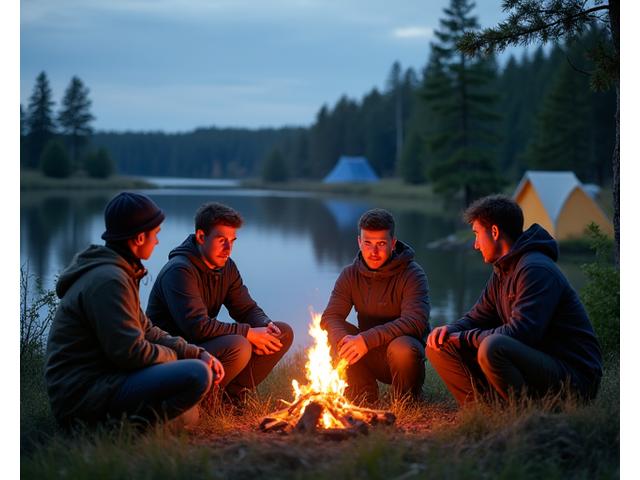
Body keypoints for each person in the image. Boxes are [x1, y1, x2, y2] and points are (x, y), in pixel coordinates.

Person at [45, 192, 224, 429]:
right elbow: (131, 354)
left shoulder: (119, 272)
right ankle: (117, 432)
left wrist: (195, 352)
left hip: (104, 382)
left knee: (191, 412)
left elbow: (147, 329)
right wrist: (175, 358)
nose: (157, 241)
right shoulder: (109, 280)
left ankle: (135, 427)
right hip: (83, 397)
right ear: (140, 238)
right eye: (155, 234)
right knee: (196, 375)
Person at [426, 194, 603, 405]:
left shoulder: (535, 269)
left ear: (494, 232)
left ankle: (524, 415)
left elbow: (522, 333)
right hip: (538, 366)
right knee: (439, 345)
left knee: (493, 346)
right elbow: (478, 316)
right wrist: (451, 330)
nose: (475, 244)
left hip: (573, 378)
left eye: (477, 234)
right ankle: (487, 413)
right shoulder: (503, 269)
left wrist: (464, 338)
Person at [146, 202, 293, 404]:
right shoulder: (179, 271)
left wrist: (266, 325)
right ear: (201, 237)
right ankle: (202, 399)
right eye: (221, 240)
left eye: (232, 241)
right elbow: (197, 327)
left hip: (202, 344)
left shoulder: (226, 267)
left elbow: (246, 308)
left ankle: (229, 399)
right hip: (174, 351)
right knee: (238, 344)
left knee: (282, 333)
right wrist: (248, 333)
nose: (228, 248)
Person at [320, 208, 430, 404]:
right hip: (366, 353)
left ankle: (407, 400)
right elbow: (330, 317)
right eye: (368, 243)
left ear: (393, 243)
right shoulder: (350, 274)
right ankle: (363, 395)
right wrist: (345, 341)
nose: (374, 252)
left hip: (401, 356)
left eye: (381, 243)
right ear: (359, 242)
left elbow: (415, 321)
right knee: (337, 333)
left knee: (402, 348)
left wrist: (366, 339)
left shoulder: (413, 274)